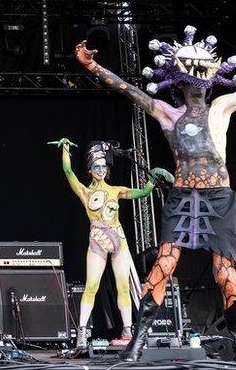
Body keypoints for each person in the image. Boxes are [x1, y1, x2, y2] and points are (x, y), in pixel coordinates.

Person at [75, 26, 236, 362]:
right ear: (178, 81)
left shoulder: (222, 107)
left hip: (220, 200)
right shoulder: (167, 113)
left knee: (225, 272)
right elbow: (127, 89)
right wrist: (92, 66)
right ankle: (137, 343)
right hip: (182, 197)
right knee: (162, 267)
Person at [52, 138, 171, 348]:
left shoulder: (116, 190)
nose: (100, 170)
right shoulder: (85, 192)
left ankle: (127, 331)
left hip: (119, 241)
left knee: (123, 286)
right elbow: (68, 172)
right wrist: (66, 150)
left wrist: (153, 178)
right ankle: (81, 333)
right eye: (96, 167)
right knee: (91, 286)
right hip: (97, 240)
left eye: (103, 167)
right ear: (89, 169)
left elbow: (142, 193)